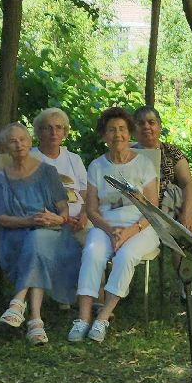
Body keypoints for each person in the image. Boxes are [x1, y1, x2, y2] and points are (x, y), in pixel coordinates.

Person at [68, 107, 159, 344]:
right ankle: (83, 318)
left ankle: (103, 318)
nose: (117, 134)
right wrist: (110, 231)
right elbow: (91, 210)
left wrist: (129, 232)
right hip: (105, 225)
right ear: (104, 136)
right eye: (111, 130)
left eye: (121, 129)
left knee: (126, 256)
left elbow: (152, 210)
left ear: (129, 133)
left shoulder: (145, 165)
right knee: (92, 252)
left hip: (141, 226)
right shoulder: (97, 166)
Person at [0, 122, 81, 344]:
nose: (19, 144)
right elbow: (1, 218)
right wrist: (29, 220)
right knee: (34, 241)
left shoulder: (48, 172)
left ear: (30, 142)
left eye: (22, 139)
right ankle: (34, 321)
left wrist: (57, 218)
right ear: (6, 147)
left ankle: (19, 303)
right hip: (16, 235)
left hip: (53, 232)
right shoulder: (1, 179)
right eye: (13, 141)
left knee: (38, 239)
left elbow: (63, 210)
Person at [131, 104, 192, 232]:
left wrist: (187, 214)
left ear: (159, 127)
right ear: (134, 130)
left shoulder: (172, 152)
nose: (146, 127)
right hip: (135, 210)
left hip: (168, 212)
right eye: (141, 123)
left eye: (151, 122)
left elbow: (188, 184)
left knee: (186, 230)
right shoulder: (127, 154)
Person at [31, 107, 87, 224]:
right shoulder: (30, 158)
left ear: (64, 131)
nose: (54, 133)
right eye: (48, 128)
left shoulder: (74, 159)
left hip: (79, 219)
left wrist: (83, 214)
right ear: (39, 131)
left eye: (58, 127)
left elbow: (85, 192)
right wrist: (63, 219)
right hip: (49, 218)